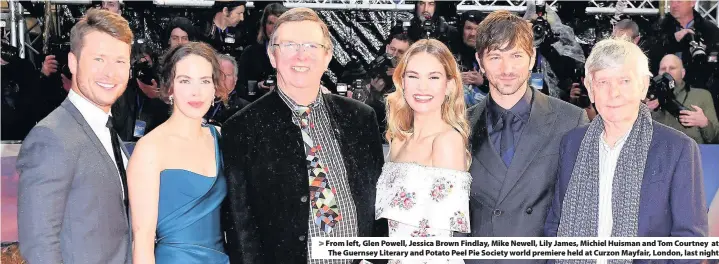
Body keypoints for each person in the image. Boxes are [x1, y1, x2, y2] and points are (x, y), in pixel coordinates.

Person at [221, 7, 386, 263]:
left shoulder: (361, 119)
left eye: (311, 45)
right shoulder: (242, 128)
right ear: (272, 55)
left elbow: (377, 204)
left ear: (328, 55)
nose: (301, 55)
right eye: (288, 45)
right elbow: (241, 228)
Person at [545, 38, 707, 258]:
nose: (614, 93)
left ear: (643, 86)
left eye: (624, 81)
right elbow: (556, 222)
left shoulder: (678, 149)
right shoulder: (572, 144)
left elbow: (690, 244)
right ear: (590, 90)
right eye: (603, 82)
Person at [465, 11, 587, 264]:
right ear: (480, 60)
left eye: (516, 55)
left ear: (532, 58)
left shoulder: (570, 121)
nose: (507, 69)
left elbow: (580, 214)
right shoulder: (459, 125)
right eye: (496, 57)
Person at [16, 9, 133, 264]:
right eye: (99, 59)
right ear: (73, 62)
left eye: (120, 61)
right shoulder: (51, 137)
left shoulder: (107, 130)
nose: (110, 73)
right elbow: (40, 246)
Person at [127, 41, 229, 263]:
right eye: (185, 81)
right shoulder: (150, 148)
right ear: (170, 87)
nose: (196, 91)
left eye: (204, 81)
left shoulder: (221, 138)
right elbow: (142, 238)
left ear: (214, 88)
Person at [375, 39, 472, 264]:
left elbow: (440, 245)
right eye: (413, 76)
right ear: (402, 81)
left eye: (434, 77)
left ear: (449, 85)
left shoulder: (447, 141)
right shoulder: (399, 140)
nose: (422, 87)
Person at [646, 54, 719, 144]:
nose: (667, 72)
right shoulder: (648, 98)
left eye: (672, 68)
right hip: (659, 152)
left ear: (683, 73)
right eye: (663, 69)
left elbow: (715, 138)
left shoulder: (702, 95)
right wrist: (646, 113)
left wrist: (704, 123)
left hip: (692, 152)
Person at [237, 2, 287, 101]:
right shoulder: (250, 53)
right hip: (255, 105)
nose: (274, 28)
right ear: (264, 25)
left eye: (278, 24)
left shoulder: (295, 53)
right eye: (270, 23)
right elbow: (239, 87)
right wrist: (257, 86)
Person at [204, 53, 250, 126]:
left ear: (235, 79)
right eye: (219, 74)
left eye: (228, 75)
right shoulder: (198, 103)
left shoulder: (245, 109)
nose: (222, 79)